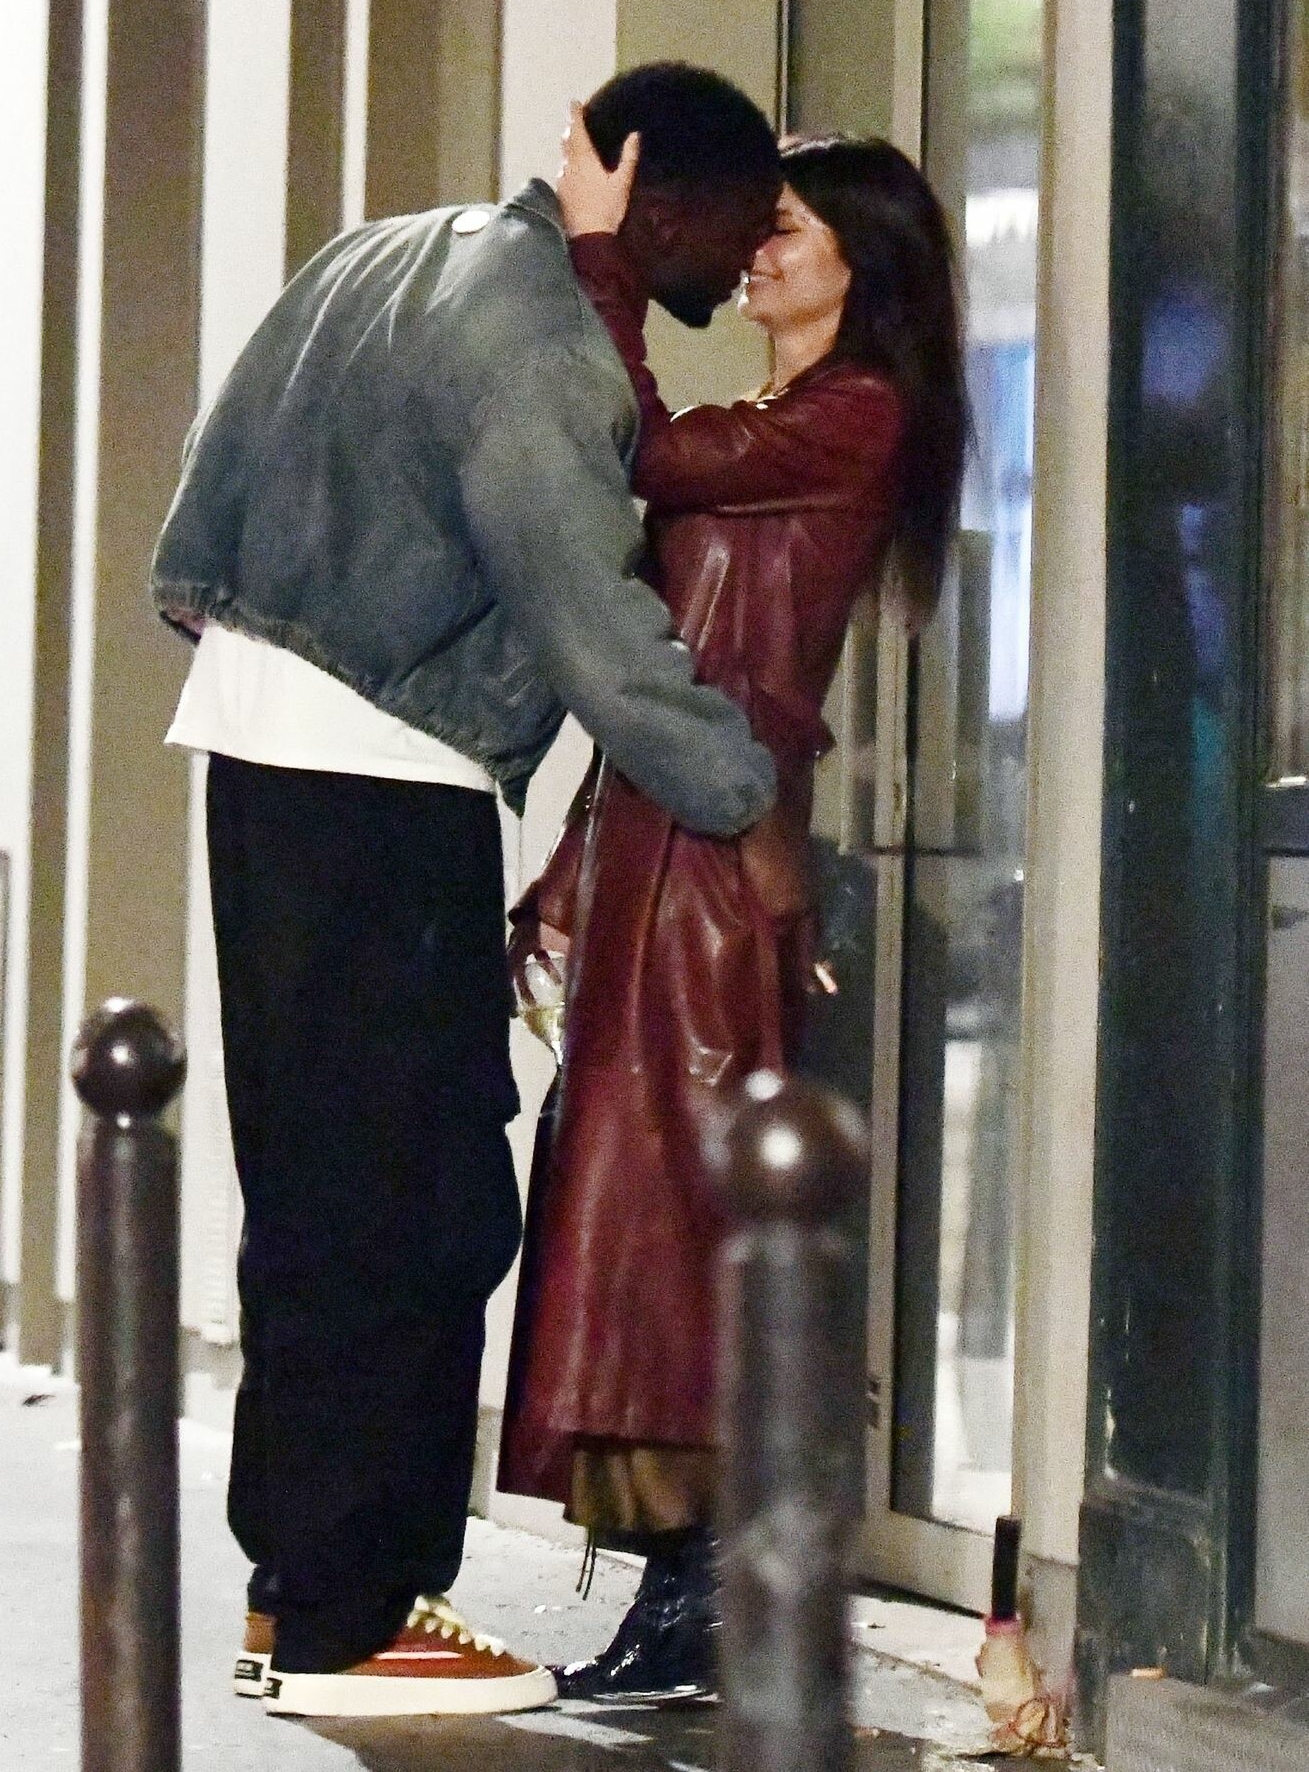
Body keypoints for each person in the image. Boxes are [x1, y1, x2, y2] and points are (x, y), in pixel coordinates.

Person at [149, 63, 785, 1722]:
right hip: (387, 777)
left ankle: (301, 1592)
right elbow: (598, 631)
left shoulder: (386, 249)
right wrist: (743, 796)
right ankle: (356, 1619)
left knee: (316, 1197)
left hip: (258, 748)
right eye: (740, 221)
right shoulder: (545, 344)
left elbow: (206, 484)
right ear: (660, 200)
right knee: (419, 1207)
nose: (747, 256)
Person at [500, 117, 969, 1703]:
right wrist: (572, 865)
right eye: (757, 226)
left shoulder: (856, 414)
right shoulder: (791, 417)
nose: (757, 253)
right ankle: (684, 1579)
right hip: (664, 836)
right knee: (634, 1212)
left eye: (788, 230)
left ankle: (711, 1582)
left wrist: (600, 260)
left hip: (715, 853)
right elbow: (660, 658)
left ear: (863, 264)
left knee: (675, 1217)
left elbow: (643, 458)